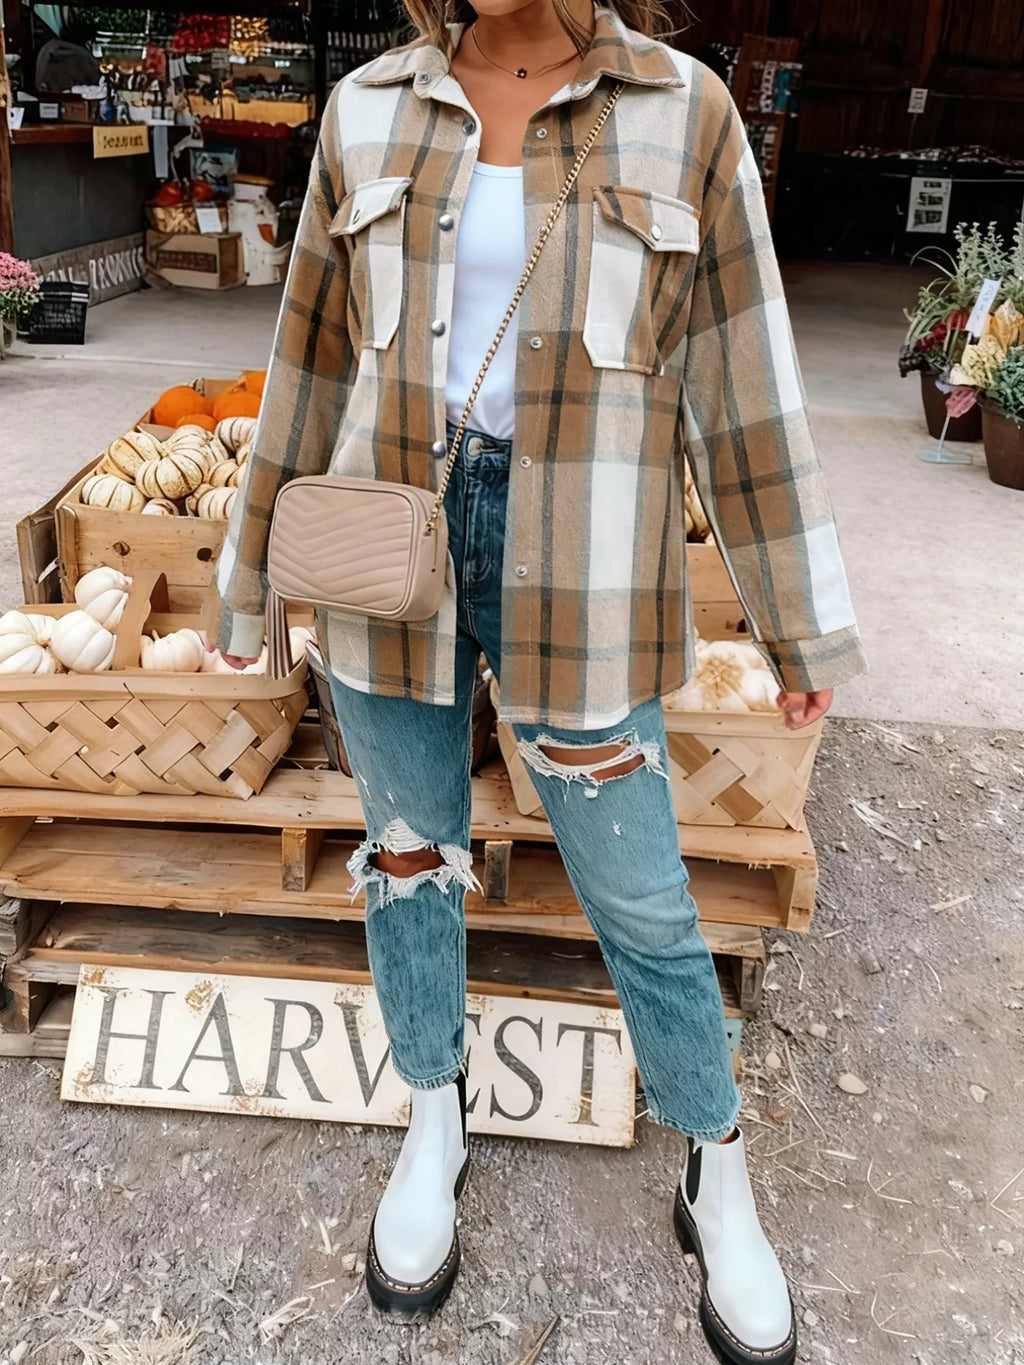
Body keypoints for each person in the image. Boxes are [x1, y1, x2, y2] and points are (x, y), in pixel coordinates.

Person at [201, 3, 867, 1360]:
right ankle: (434, 1114)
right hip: (393, 548)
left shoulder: (687, 114)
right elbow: (309, 359)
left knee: (637, 886)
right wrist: (245, 578)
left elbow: (745, 387)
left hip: (591, 562)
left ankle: (716, 1165)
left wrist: (801, 625)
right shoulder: (368, 110)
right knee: (407, 852)